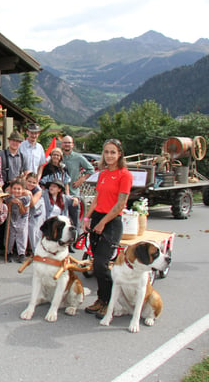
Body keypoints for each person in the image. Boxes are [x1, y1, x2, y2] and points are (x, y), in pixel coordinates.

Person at [82, 138, 133, 318]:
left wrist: (103, 223)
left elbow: (120, 204)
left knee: (101, 264)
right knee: (96, 264)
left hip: (111, 222)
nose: (109, 155)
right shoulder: (103, 174)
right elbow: (96, 199)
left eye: (113, 152)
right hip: (97, 218)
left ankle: (109, 301)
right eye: (106, 152)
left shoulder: (124, 175)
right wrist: (87, 218)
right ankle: (101, 299)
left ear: (120, 154)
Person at [0, 130, 25, 254]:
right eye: (13, 140)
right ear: (9, 141)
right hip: (3, 187)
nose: (15, 143)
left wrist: (18, 186)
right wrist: (5, 186)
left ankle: (10, 246)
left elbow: (23, 173)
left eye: (18, 141)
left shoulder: (22, 156)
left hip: (16, 189)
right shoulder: (1, 154)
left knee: (13, 217)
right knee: (1, 216)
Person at [61, 135, 95, 230]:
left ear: (72, 145)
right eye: (65, 143)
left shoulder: (78, 157)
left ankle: (75, 243)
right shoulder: (58, 156)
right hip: (60, 193)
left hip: (73, 193)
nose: (67, 145)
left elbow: (91, 169)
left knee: (74, 222)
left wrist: (82, 179)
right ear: (62, 144)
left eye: (69, 143)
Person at [5, 178, 31, 263]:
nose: (16, 191)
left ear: (23, 190)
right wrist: (11, 203)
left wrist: (20, 204)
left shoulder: (26, 198)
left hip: (22, 218)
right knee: (10, 235)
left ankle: (21, 253)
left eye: (19, 189)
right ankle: (8, 251)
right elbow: (6, 209)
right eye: (14, 188)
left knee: (22, 234)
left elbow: (23, 212)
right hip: (12, 217)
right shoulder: (9, 197)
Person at [25, 172, 46, 255]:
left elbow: (32, 203)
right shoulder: (23, 186)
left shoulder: (38, 190)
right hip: (27, 211)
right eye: (29, 181)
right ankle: (26, 249)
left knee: (34, 230)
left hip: (38, 211)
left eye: (34, 183)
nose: (31, 184)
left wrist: (29, 194)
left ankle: (35, 251)